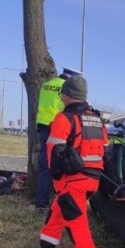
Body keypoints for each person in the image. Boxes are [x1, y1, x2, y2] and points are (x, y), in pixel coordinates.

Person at [37, 75, 107, 248]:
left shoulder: (64, 118)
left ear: (67, 95)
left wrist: (57, 177)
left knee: (76, 219)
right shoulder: (97, 120)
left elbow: (54, 151)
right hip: (93, 178)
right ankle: (46, 244)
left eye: (62, 95)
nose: (61, 99)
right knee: (59, 209)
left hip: (73, 179)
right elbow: (106, 150)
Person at [35, 66, 81, 209]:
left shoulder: (47, 85)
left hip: (43, 128)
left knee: (45, 164)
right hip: (59, 128)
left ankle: (40, 202)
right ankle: (60, 201)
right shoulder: (66, 89)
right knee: (63, 163)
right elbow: (69, 109)